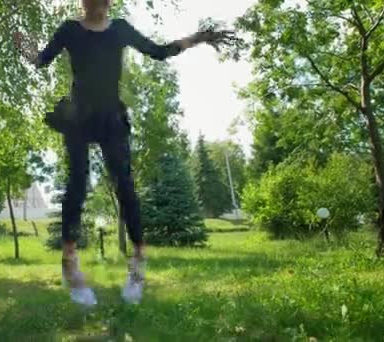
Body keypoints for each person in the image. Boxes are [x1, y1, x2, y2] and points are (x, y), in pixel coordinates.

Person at [14, 0, 234, 306]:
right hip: (78, 117)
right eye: (93, 4)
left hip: (111, 119)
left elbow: (158, 51)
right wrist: (23, 46)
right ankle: (70, 263)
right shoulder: (70, 30)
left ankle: (138, 264)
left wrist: (197, 38)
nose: (99, 9)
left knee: (125, 185)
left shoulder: (120, 30)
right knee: (78, 182)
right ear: (85, 4)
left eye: (103, 4)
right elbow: (40, 60)